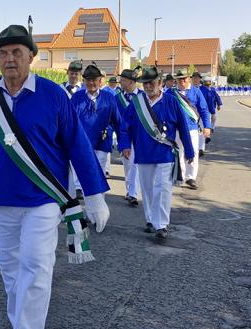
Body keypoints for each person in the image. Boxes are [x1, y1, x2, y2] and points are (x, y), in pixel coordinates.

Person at [0, 25, 110, 329]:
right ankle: (22, 326)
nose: (9, 59)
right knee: (11, 271)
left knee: (36, 267)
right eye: (3, 53)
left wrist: (94, 195)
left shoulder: (53, 95)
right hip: (0, 199)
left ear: (31, 57)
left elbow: (77, 144)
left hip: (44, 200)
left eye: (16, 52)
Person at [118, 66, 194, 239]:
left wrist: (189, 151)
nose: (147, 86)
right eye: (145, 83)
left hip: (165, 153)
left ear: (160, 83)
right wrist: (125, 145)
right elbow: (125, 126)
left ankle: (161, 225)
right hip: (143, 153)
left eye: (151, 83)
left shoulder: (171, 101)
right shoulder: (137, 102)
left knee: (163, 189)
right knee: (147, 189)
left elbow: (183, 127)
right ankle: (151, 220)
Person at [71, 63, 124, 182]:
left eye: (94, 80)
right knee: (80, 176)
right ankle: (79, 190)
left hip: (102, 142)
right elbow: (69, 121)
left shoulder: (109, 98)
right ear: (83, 81)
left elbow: (118, 121)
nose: (91, 83)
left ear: (100, 81)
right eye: (88, 80)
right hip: (82, 142)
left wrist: (123, 144)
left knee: (97, 175)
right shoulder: (76, 98)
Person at [170, 68, 211, 189]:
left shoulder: (196, 92)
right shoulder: (170, 93)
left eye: (184, 78)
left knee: (192, 152)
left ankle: (191, 177)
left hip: (191, 128)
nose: (182, 81)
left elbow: (204, 110)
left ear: (189, 78)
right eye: (179, 79)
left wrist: (207, 126)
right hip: (176, 129)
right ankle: (180, 175)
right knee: (179, 152)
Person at [115, 66, 143, 206]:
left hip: (140, 137)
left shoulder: (143, 96)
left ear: (132, 82)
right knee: (127, 165)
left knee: (135, 165)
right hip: (124, 136)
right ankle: (130, 190)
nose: (120, 82)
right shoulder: (117, 98)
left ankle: (133, 193)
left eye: (123, 80)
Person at [59, 60, 84, 195]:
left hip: (80, 128)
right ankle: (66, 186)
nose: (74, 76)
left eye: (76, 74)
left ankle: (78, 186)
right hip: (62, 128)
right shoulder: (59, 88)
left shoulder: (84, 90)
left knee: (79, 157)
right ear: (67, 73)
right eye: (72, 73)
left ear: (80, 75)